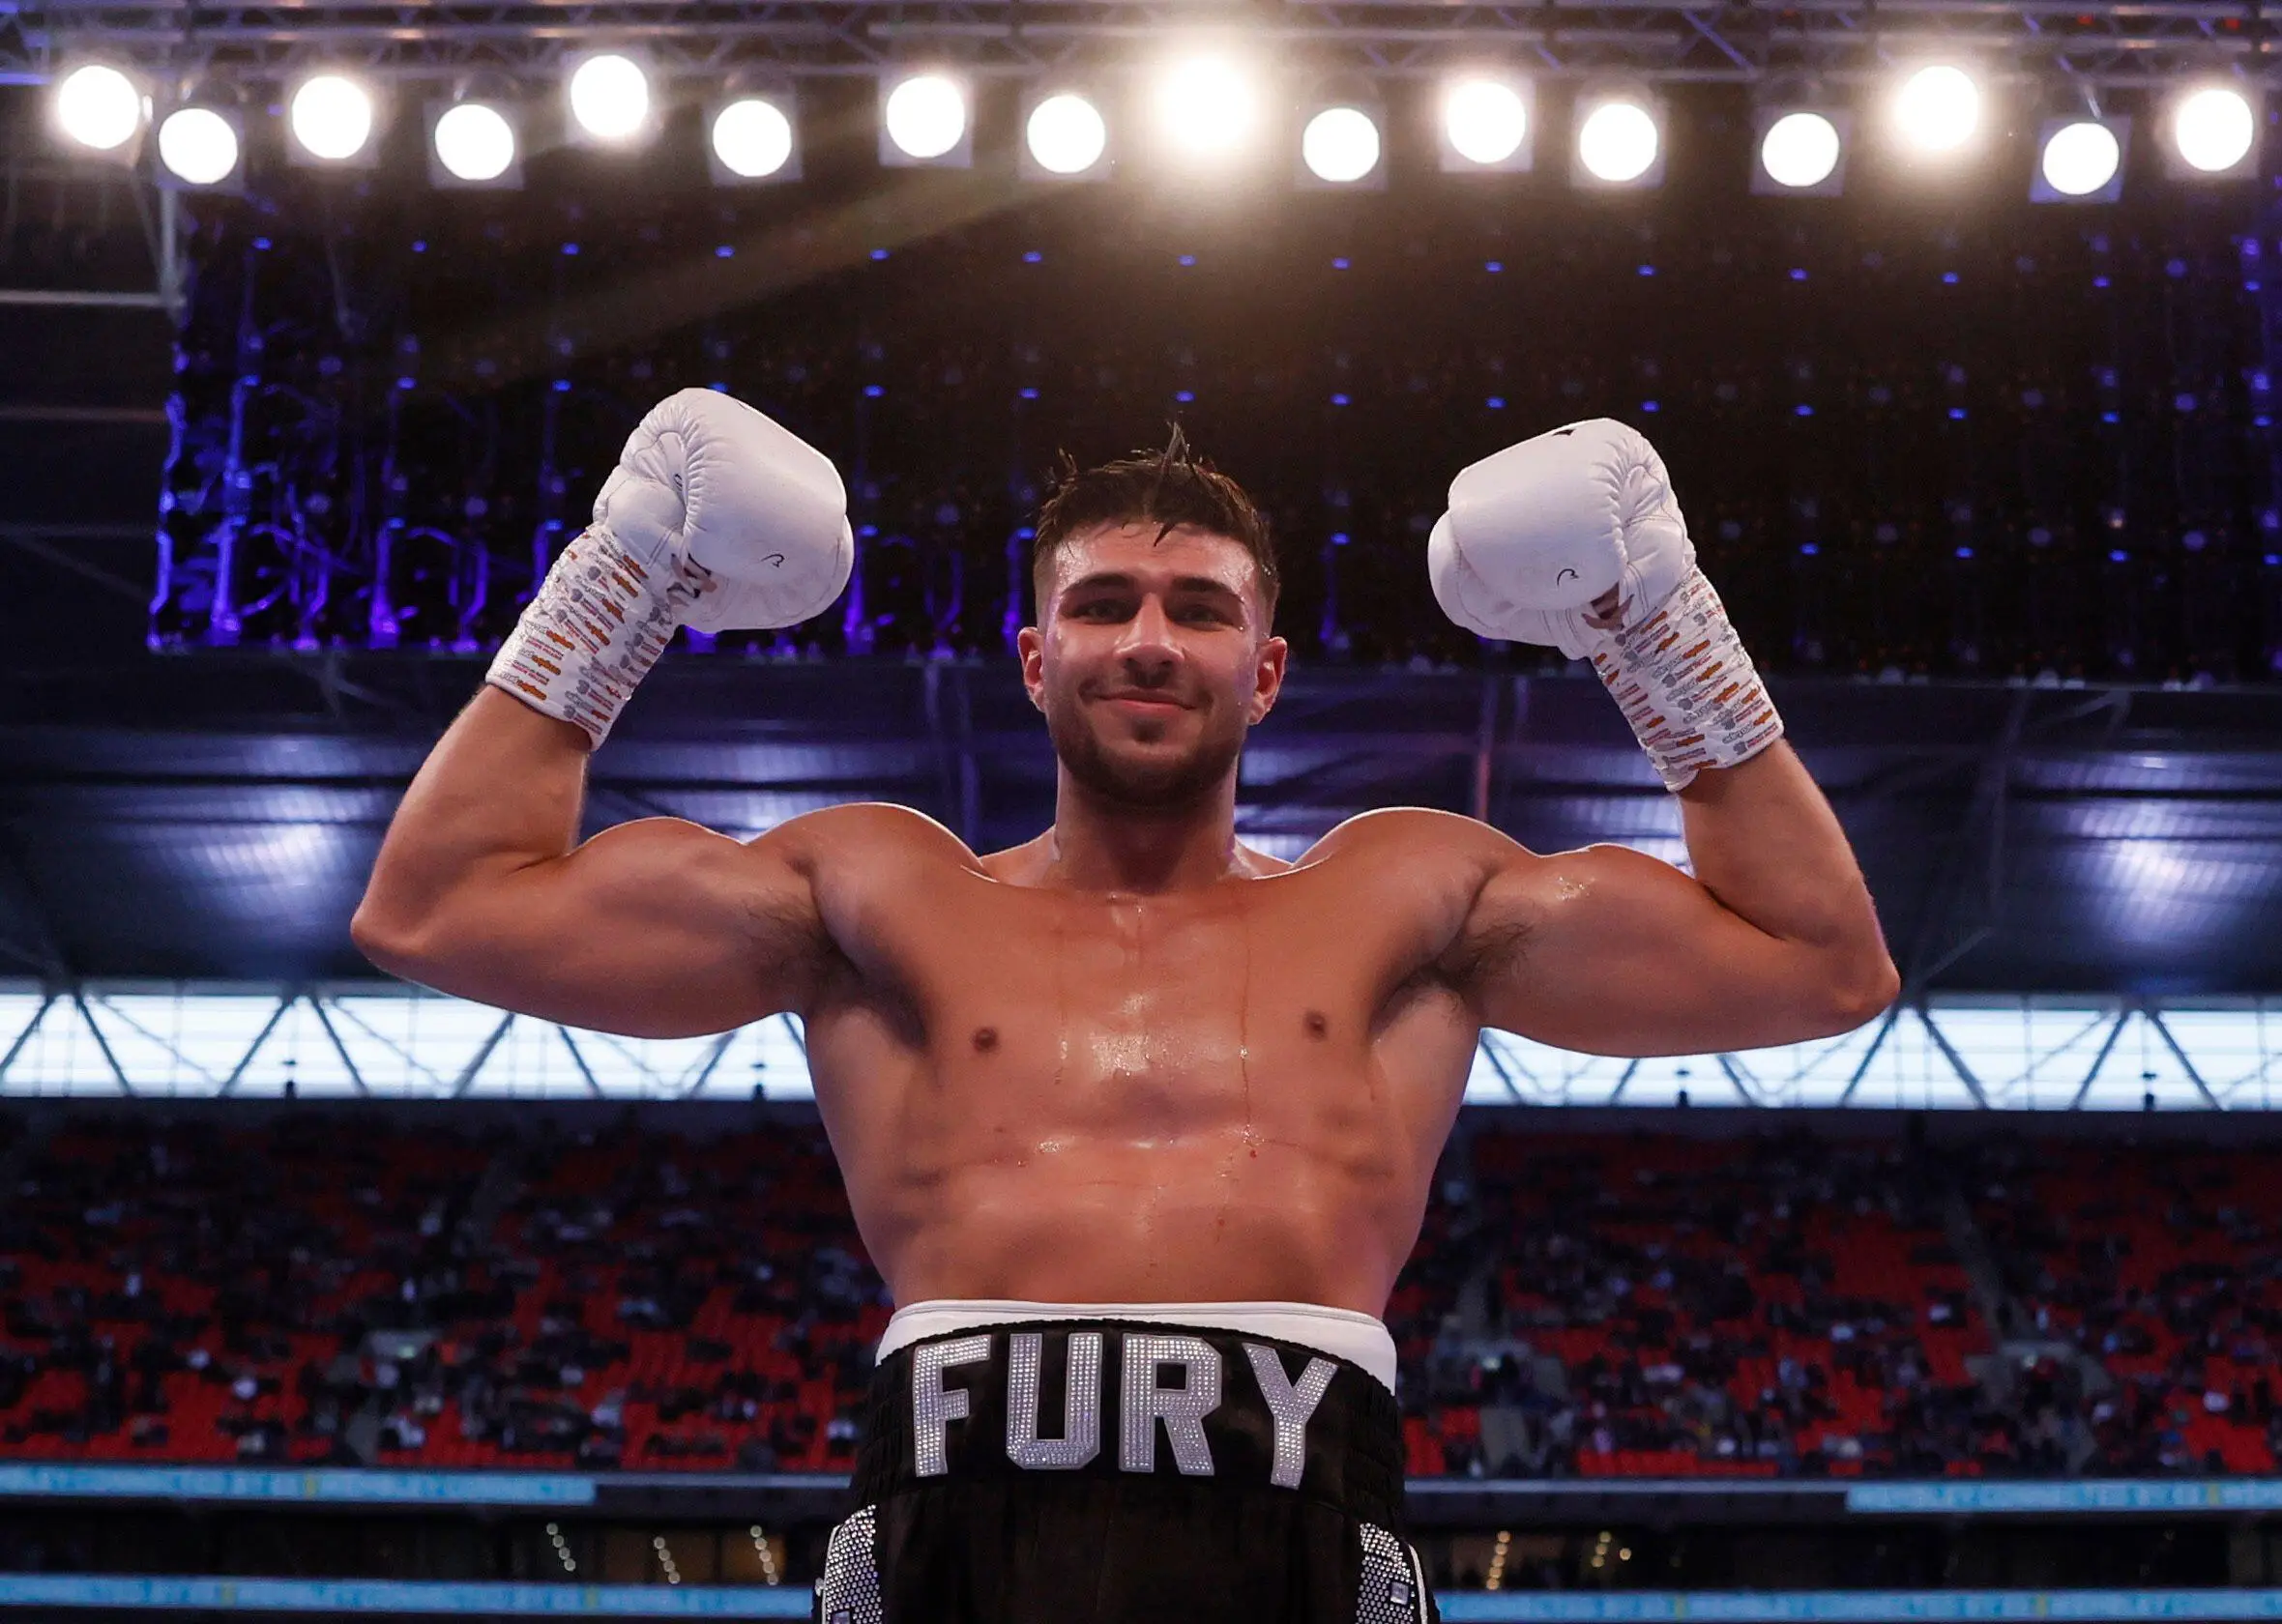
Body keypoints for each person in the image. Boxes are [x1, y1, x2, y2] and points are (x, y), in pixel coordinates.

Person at [353, 390, 1898, 1622]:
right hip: (950, 1525)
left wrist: (1652, 614)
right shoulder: (874, 894)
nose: (1149, 639)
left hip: (1303, 1523)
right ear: (1035, 660)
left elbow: (1820, 961)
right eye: (1103, 603)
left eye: (1197, 608)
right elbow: (440, 907)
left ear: (1266, 670)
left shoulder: (1411, 899)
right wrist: (625, 571)